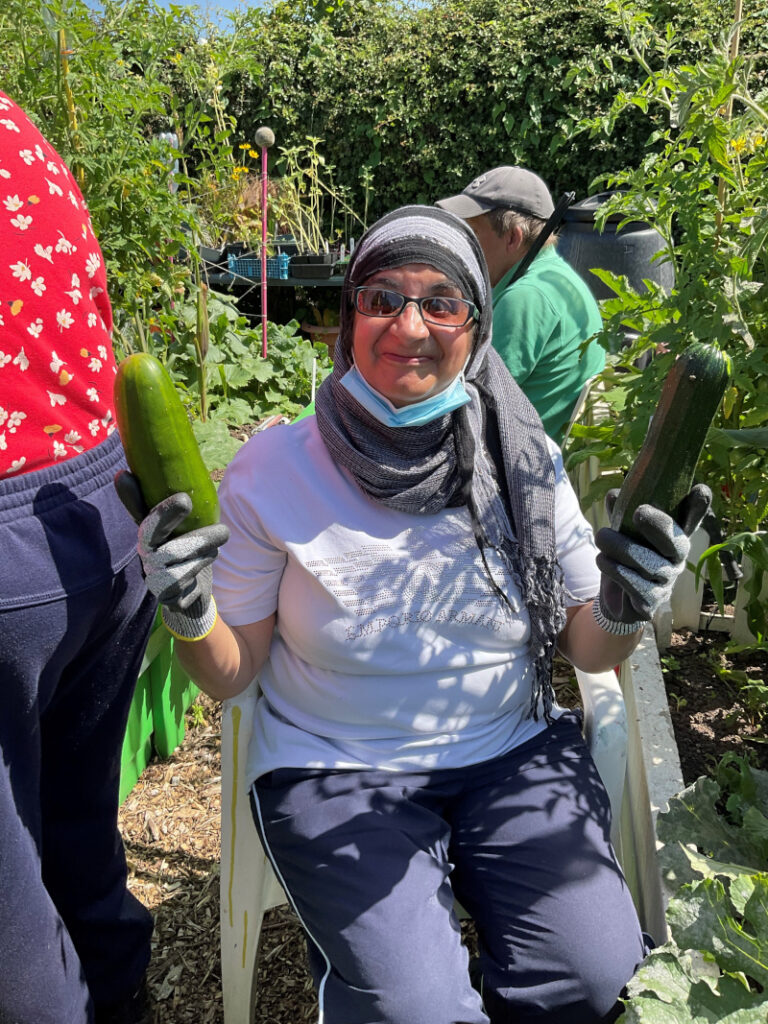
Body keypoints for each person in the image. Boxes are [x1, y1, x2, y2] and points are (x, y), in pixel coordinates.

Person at [119, 205, 710, 1024]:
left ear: (477, 325)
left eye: (442, 302)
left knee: (595, 981)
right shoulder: (274, 470)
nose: (411, 325)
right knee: (416, 1011)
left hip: (510, 752)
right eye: (382, 297)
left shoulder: (523, 454)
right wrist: (188, 611)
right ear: (348, 317)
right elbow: (233, 670)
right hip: (338, 770)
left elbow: (590, 645)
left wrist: (625, 599)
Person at [0, 91, 156, 1024]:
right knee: (71, 818)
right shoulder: (16, 123)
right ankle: (118, 994)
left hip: (6, 542)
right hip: (102, 504)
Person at [436, 166, 606, 444]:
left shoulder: (526, 298)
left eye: (473, 233)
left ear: (513, 238)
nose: (462, 245)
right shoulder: (555, 276)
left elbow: (471, 405)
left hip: (514, 467)